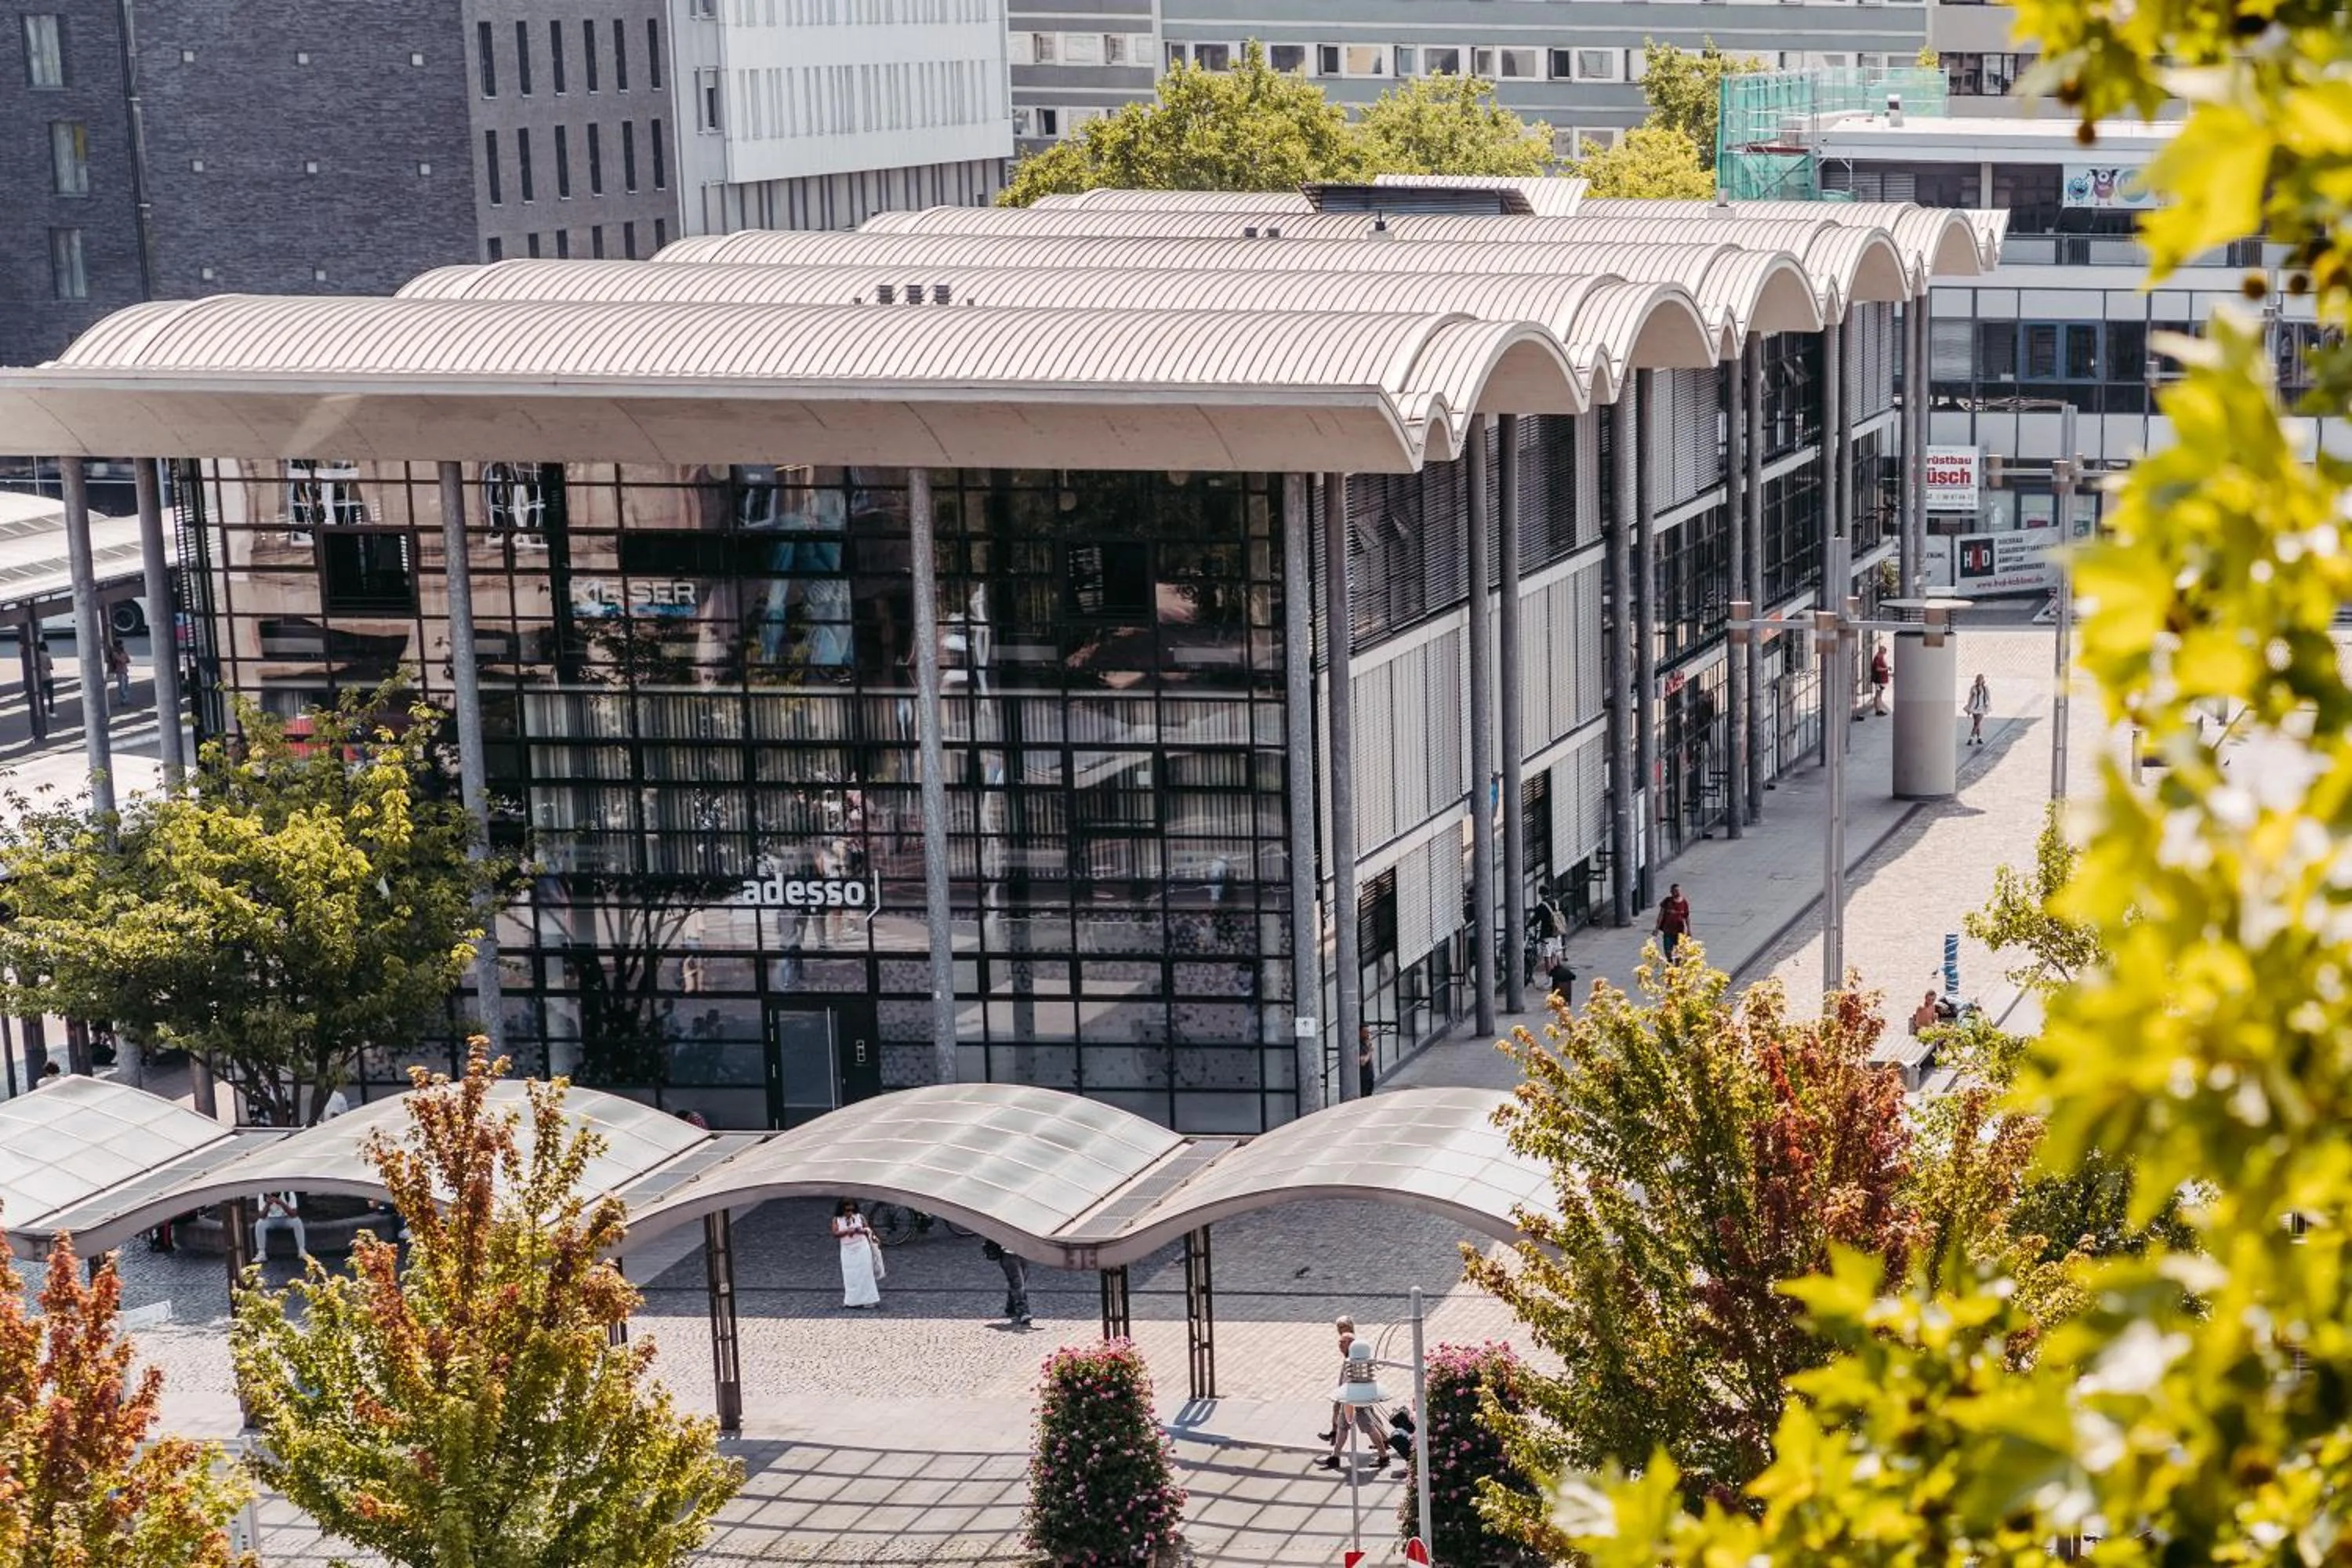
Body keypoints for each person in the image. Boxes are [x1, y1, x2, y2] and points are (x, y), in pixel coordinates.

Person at [1317, 1318, 1388, 1472]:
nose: (1339, 1346)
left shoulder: (1355, 1359)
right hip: (1348, 1399)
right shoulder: (1350, 1357)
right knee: (1343, 1428)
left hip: (1357, 1400)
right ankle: (1335, 1457)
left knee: (1369, 1427)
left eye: (1342, 1343)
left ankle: (1383, 1455)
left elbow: (1353, 1379)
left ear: (1350, 1344)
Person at [833, 1198, 881, 1309]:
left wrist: (862, 1231)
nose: (849, 1213)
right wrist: (846, 1232)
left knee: (865, 1274)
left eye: (851, 1210)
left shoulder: (860, 1217)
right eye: (847, 1210)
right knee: (850, 1275)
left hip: (861, 1248)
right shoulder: (837, 1220)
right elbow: (835, 1233)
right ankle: (852, 1300)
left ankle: (869, 1300)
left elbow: (868, 1229)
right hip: (847, 1249)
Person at [983, 1238, 1031, 1326]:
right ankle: (1023, 1312)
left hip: (1023, 1253)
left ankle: (1011, 1309)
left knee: (1020, 1281)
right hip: (1008, 1254)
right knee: (1018, 1283)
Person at [253, 1192, 307, 1258]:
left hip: (286, 1219)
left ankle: (302, 1250)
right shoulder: (262, 1195)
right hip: (270, 1220)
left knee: (297, 1221)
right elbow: (262, 1216)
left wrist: (281, 1203)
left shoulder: (289, 1193)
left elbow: (294, 1214)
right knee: (259, 1223)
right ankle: (261, 1253)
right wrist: (268, 1204)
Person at [1655, 883, 1692, 960]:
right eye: (1674, 891)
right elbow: (1661, 915)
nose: (1676, 892)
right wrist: (1656, 929)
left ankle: (1677, 967)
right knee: (1668, 951)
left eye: (1678, 891)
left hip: (1679, 931)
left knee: (1679, 951)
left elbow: (1687, 917)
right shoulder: (1667, 901)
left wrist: (1689, 930)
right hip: (1668, 931)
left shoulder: (1684, 902)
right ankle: (1670, 962)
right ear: (1671, 892)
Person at [1965, 673, 1991, 746]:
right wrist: (1969, 708)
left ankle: (1971, 738)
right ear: (1976, 680)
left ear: (1983, 680)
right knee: (1977, 723)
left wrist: (1987, 704)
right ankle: (1979, 738)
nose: (1980, 681)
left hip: (1982, 707)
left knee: (1977, 723)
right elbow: (1971, 698)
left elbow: (1988, 697)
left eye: (1981, 679)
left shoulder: (1985, 688)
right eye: (1978, 679)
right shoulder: (1973, 688)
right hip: (1974, 707)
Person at [107, 640, 132, 706]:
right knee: (122, 686)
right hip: (119, 671)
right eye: (121, 644)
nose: (122, 646)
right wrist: (124, 659)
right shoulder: (115, 653)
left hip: (125, 670)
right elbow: (122, 660)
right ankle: (123, 699)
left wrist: (124, 659)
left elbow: (128, 660)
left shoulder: (123, 652)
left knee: (126, 685)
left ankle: (126, 699)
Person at [1870, 641, 1892, 716]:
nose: (1884, 654)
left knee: (1879, 694)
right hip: (1879, 679)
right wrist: (1887, 669)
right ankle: (1878, 710)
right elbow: (1878, 669)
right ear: (1882, 651)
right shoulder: (1878, 658)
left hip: (1880, 679)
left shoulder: (1880, 657)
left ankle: (1879, 709)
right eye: (1884, 653)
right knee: (1878, 695)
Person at [34, 637, 54, 717]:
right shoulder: (47, 655)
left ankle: (40, 711)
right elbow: (50, 667)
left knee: (40, 696)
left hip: (39, 678)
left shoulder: (35, 656)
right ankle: (51, 712)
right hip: (48, 677)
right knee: (50, 696)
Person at [1357, 1026, 1377, 1099]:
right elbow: (1362, 1062)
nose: (1368, 1034)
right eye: (1365, 1032)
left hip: (1369, 1076)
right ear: (1360, 1033)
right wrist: (1370, 1052)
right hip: (1363, 1077)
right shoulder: (1358, 1046)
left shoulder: (1366, 1044)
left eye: (1368, 1032)